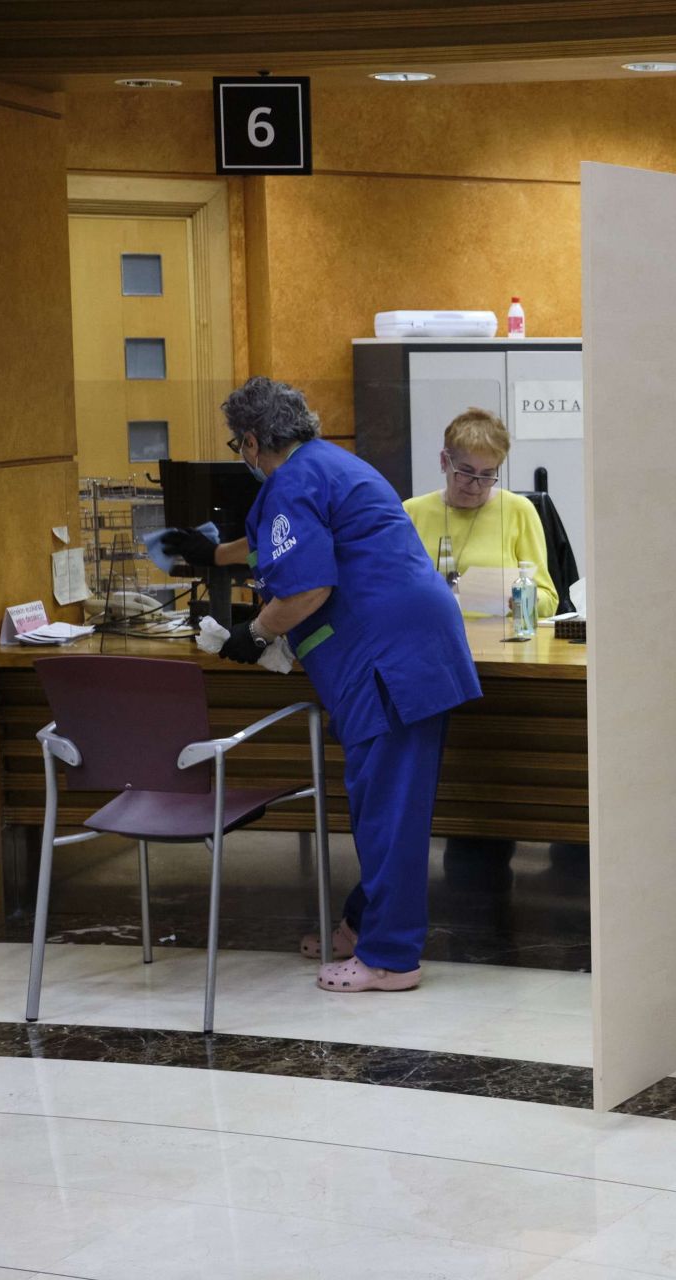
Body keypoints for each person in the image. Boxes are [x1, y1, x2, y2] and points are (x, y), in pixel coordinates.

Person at [156, 377, 481, 993]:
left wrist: (251, 634)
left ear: (253, 441)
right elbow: (279, 542)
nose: (241, 455)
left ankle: (390, 959)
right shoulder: (324, 465)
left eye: (239, 445)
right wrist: (209, 554)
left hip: (390, 658)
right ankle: (363, 927)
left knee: (389, 811)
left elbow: (307, 588)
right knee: (383, 804)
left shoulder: (292, 481)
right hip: (402, 646)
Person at [403, 408, 560, 618]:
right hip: (429, 637)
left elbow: (549, 601)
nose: (476, 486)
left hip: (498, 643)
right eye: (466, 472)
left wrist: (523, 599)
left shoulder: (518, 511)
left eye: (487, 475)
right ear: (444, 462)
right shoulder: (411, 512)